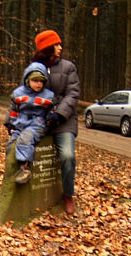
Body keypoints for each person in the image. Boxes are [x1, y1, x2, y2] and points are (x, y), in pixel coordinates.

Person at [32, 30, 80, 214]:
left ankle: (68, 195)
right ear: (47, 47)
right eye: (56, 44)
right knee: (21, 143)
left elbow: (73, 94)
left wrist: (59, 115)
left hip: (64, 121)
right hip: (40, 119)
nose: (60, 47)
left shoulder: (68, 67)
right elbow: (25, 93)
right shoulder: (34, 68)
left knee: (67, 156)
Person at [4, 62, 54, 184]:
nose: (38, 84)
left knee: (26, 139)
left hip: (38, 123)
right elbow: (13, 109)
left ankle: (25, 168)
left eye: (41, 81)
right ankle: (11, 169)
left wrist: (51, 119)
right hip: (21, 122)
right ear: (28, 80)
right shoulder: (18, 93)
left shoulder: (48, 96)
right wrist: (9, 123)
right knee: (12, 144)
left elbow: (51, 111)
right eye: (35, 80)